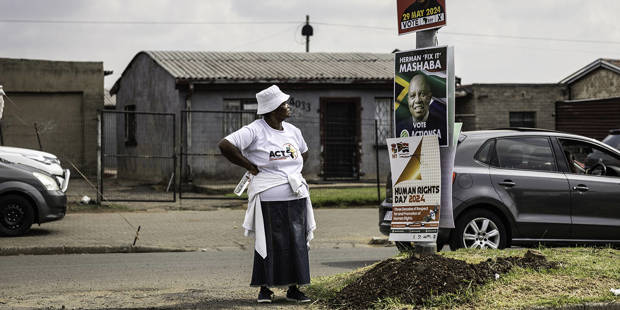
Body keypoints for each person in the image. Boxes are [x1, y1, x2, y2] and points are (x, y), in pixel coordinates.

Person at [218, 85, 316, 304]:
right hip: (269, 199)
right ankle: (265, 289)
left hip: (296, 196)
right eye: (284, 104)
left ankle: (294, 288)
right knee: (270, 242)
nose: (288, 106)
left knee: (296, 242)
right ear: (272, 109)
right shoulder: (255, 130)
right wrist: (250, 165)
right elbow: (225, 145)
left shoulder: (293, 131)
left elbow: (304, 153)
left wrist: (291, 174)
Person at [395, 73, 447, 146]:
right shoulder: (399, 128)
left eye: (422, 94)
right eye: (412, 96)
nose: (417, 100)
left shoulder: (443, 127)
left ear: (429, 98)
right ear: (408, 100)